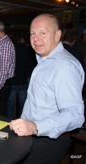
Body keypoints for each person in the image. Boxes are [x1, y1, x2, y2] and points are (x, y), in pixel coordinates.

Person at [10, 14, 85, 163]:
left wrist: (35, 127)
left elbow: (75, 116)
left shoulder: (64, 66)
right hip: (35, 136)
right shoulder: (45, 60)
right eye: (32, 33)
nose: (36, 39)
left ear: (57, 35)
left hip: (47, 141)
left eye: (43, 33)